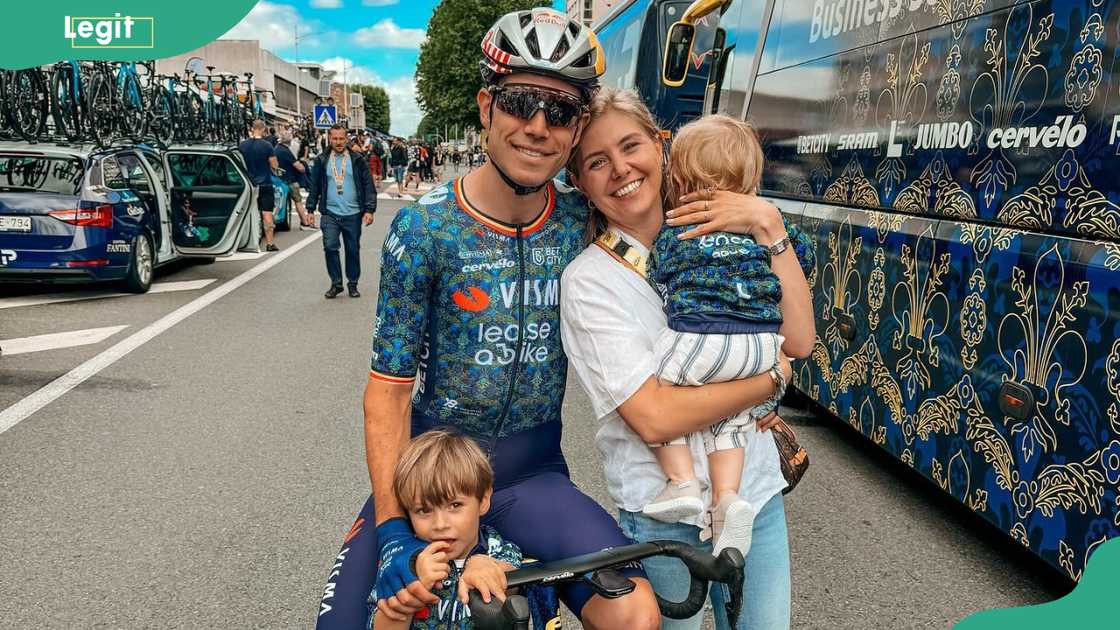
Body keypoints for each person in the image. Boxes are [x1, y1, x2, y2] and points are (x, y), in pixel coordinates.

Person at [313, 10, 789, 630]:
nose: (538, 127)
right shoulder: (424, 228)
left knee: (636, 615)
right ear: (487, 106)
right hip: (431, 476)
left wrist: (752, 375)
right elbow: (388, 392)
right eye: (519, 103)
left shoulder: (581, 217)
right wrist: (394, 531)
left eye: (560, 111)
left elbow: (681, 215)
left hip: (532, 476)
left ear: (576, 129)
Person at [560, 88, 815, 629]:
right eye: (597, 162)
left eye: (631, 146)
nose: (620, 168)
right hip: (662, 517)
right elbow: (655, 417)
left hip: (753, 500)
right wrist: (768, 380)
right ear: (580, 182)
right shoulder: (589, 281)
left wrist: (771, 227)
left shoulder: (743, 231)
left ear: (661, 147)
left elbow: (799, 341)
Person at [635, 114, 816, 556]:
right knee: (731, 423)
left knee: (662, 386)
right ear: (752, 179)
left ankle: (682, 481)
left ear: (678, 179)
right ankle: (727, 498)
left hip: (703, 337)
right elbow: (804, 260)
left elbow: (660, 273)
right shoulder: (768, 229)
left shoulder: (677, 228)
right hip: (761, 346)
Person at [371, 430, 521, 629]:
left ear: (484, 500)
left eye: (455, 505)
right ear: (408, 512)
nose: (440, 524)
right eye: (424, 510)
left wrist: (487, 567)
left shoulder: (498, 549)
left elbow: (517, 578)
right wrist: (412, 590)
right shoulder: (404, 563)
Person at [306, 124, 376, 299]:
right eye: (335, 138)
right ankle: (336, 283)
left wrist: (369, 209)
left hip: (353, 214)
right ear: (330, 139)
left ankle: (353, 283)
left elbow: (368, 185)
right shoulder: (322, 160)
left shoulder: (357, 160)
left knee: (352, 249)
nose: (338, 142)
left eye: (341, 138)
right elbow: (314, 186)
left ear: (346, 139)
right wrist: (310, 209)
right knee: (330, 246)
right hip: (330, 213)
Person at [238, 119, 279, 252]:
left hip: (248, 185)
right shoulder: (267, 146)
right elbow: (274, 165)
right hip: (265, 184)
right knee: (267, 213)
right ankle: (270, 243)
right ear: (263, 129)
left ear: (252, 129)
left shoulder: (242, 145)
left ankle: (244, 242)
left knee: (246, 213)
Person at [275, 128, 316, 229]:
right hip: (289, 179)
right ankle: (304, 222)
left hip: (279, 179)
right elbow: (299, 167)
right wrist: (303, 167)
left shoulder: (276, 149)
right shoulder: (286, 151)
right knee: (298, 201)